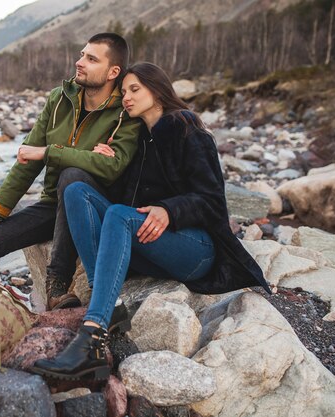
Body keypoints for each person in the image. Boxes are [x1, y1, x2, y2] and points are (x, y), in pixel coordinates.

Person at [30, 62, 271, 380]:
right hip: (149, 244)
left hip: (195, 249)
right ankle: (110, 305)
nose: (126, 98)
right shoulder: (140, 139)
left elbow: (213, 202)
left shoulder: (189, 131)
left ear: (157, 91)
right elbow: (128, 201)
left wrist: (170, 210)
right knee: (77, 191)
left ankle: (92, 335)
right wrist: (107, 164)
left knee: (117, 215)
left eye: (135, 90)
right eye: (124, 91)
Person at [0, 33, 141, 310]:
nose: (79, 62)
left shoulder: (125, 110)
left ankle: (57, 285)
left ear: (113, 72)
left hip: (98, 208)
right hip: (54, 205)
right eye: (82, 55)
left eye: (91, 59)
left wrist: (54, 153)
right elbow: (27, 159)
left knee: (72, 176)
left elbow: (112, 167)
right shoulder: (60, 99)